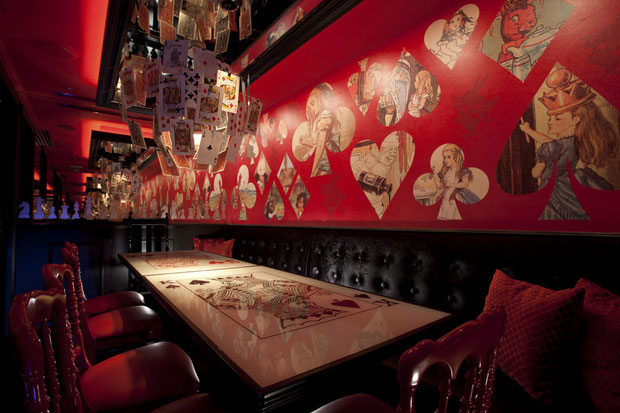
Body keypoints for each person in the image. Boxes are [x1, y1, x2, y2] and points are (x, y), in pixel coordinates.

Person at [518, 67, 619, 219]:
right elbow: (550, 142)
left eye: (558, 118)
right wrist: (530, 131)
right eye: (550, 117)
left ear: (575, 119)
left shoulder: (550, 148)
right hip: (572, 185)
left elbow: (536, 173)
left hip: (555, 191)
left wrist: (529, 132)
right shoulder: (576, 141)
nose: (550, 122)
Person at [432, 144, 479, 220]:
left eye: (448, 157)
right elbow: (440, 186)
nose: (445, 160)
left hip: (455, 197)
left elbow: (465, 183)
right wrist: (435, 177)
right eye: (444, 157)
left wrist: (451, 184)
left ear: (456, 157)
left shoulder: (462, 171)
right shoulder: (445, 171)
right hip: (445, 199)